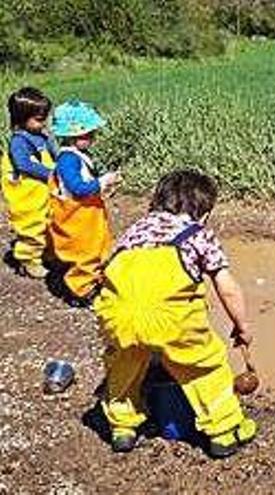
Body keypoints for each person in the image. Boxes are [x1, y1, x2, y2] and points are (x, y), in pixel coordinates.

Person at [94, 169, 257, 459]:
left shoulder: (135, 231)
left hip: (118, 315)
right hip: (172, 319)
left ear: (154, 203)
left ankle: (123, 428)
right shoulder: (199, 235)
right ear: (205, 213)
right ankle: (224, 430)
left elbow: (106, 272)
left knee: (123, 365)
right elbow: (227, 288)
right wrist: (241, 325)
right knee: (204, 367)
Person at [48, 100, 120, 306]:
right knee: (84, 252)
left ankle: (91, 280)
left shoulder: (76, 156)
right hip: (78, 218)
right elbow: (78, 188)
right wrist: (103, 181)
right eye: (87, 134)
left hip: (87, 215)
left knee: (96, 247)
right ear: (72, 135)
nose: (92, 138)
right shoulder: (68, 160)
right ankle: (80, 290)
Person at [2, 87, 56, 278]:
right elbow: (23, 164)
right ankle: (28, 259)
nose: (44, 123)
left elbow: (51, 154)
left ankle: (46, 253)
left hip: (43, 189)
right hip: (30, 192)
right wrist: (50, 173)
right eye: (39, 120)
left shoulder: (39, 135)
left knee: (50, 219)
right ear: (21, 118)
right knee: (33, 224)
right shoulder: (19, 141)